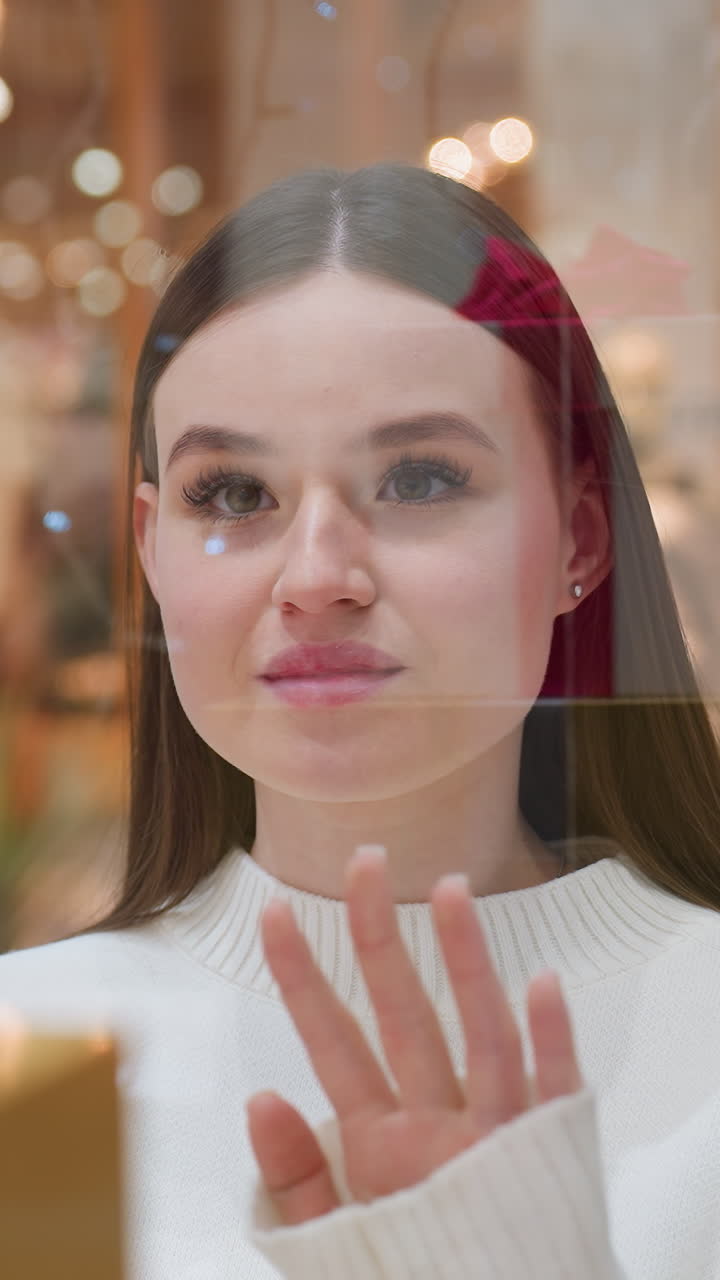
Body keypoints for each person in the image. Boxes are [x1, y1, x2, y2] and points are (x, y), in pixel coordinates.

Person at [1, 163, 719, 1279]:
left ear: (581, 539)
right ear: (150, 548)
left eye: (422, 478)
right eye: (233, 495)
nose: (318, 575)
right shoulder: (37, 1055)